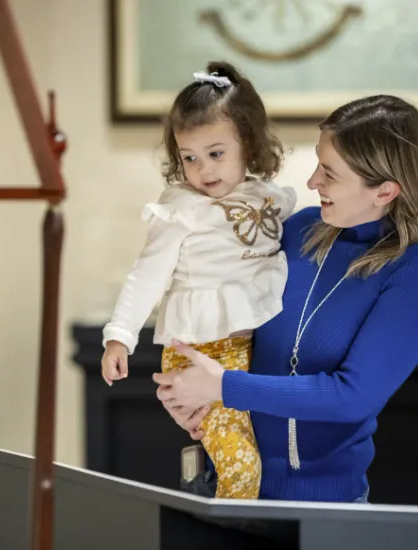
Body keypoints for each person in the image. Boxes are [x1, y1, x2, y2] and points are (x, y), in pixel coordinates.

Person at [154, 93, 418, 503]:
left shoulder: (409, 271)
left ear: (384, 191)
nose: (313, 182)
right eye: (317, 163)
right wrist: (186, 396)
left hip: (326, 516)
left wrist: (223, 387)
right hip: (226, 494)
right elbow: (220, 317)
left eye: (330, 173)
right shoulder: (295, 230)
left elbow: (353, 397)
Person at [100, 61, 297, 499]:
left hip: (252, 355)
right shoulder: (182, 209)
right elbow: (146, 275)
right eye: (189, 157)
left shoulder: (269, 196)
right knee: (242, 470)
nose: (203, 169)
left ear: (248, 142)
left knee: (254, 462)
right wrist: (119, 337)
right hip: (198, 354)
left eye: (215, 153)